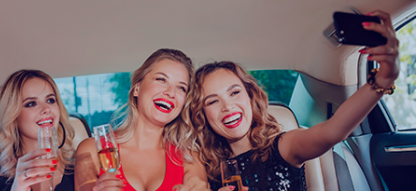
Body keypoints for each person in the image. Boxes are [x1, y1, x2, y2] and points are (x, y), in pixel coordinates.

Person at [189, 10, 399, 191]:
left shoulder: (284, 147)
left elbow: (332, 131)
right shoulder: (205, 171)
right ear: (203, 115)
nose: (227, 106)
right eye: (212, 101)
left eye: (234, 93)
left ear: (250, 95)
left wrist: (383, 79)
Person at [75, 48, 208, 191]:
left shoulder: (190, 158)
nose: (171, 93)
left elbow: (197, 184)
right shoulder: (92, 150)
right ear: (137, 87)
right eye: (161, 79)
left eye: (181, 87)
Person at [0, 70, 76, 191]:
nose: (46, 109)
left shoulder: (77, 164)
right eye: (31, 103)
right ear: (13, 115)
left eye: (50, 100)